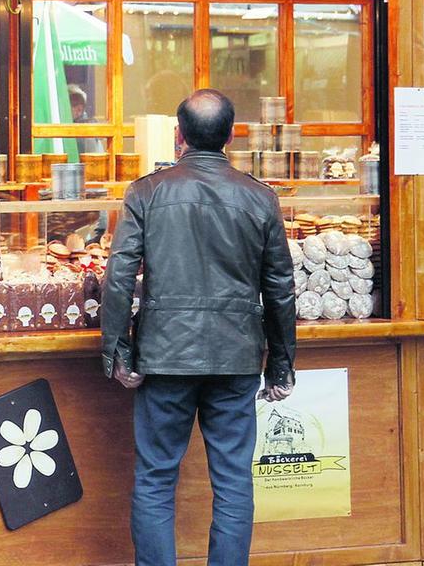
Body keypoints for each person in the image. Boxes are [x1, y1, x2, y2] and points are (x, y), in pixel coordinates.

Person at [101, 89, 297, 566]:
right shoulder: (260, 197)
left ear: (178, 136)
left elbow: (119, 275)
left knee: (155, 478)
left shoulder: (147, 191)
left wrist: (116, 349)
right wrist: (282, 364)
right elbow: (280, 288)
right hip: (235, 357)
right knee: (233, 480)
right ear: (231, 136)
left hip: (165, 355)